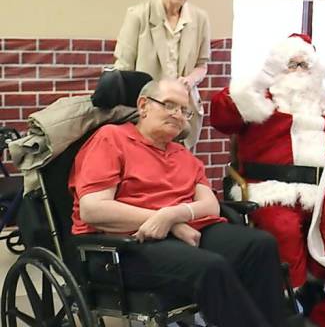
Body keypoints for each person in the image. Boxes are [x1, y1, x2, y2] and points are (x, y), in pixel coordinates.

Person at [69, 79, 286, 327]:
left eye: (184, 111)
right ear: (143, 106)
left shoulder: (182, 153)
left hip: (186, 231)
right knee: (210, 267)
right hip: (122, 245)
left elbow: (210, 206)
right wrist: (166, 220)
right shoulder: (111, 138)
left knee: (260, 245)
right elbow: (93, 208)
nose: (178, 115)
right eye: (170, 105)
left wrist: (173, 216)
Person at [210, 34, 325, 326]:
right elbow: (221, 115)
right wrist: (260, 78)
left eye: (304, 64)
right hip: (270, 188)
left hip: (322, 188)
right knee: (284, 228)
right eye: (291, 64)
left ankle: (315, 287)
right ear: (278, 67)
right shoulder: (260, 100)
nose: (299, 70)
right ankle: (284, 296)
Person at [113, 0, 210, 148]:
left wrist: (189, 81)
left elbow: (202, 65)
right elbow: (122, 69)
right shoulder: (138, 15)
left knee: (180, 169)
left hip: (183, 114)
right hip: (146, 115)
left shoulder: (200, 19)